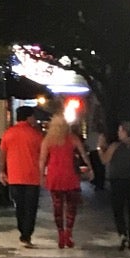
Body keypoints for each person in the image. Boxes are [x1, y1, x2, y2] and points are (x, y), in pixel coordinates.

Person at [40, 101, 92, 248]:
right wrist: (90, 168)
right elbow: (83, 155)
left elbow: (42, 160)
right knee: (71, 207)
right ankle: (68, 233)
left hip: (54, 176)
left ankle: (60, 234)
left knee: (57, 207)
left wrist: (41, 176)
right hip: (70, 176)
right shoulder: (73, 138)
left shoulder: (48, 140)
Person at [0, 107, 45, 246]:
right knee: (31, 207)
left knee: (20, 206)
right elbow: (44, 154)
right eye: (33, 116)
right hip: (32, 176)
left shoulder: (8, 133)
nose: (35, 119)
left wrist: (2, 171)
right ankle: (26, 235)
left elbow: (2, 154)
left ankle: (22, 231)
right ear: (28, 117)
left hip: (14, 176)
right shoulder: (36, 134)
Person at [100, 121, 130, 249]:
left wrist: (100, 148)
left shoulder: (115, 146)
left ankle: (122, 234)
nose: (118, 133)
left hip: (118, 181)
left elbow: (104, 160)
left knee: (118, 209)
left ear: (124, 132)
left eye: (120, 130)